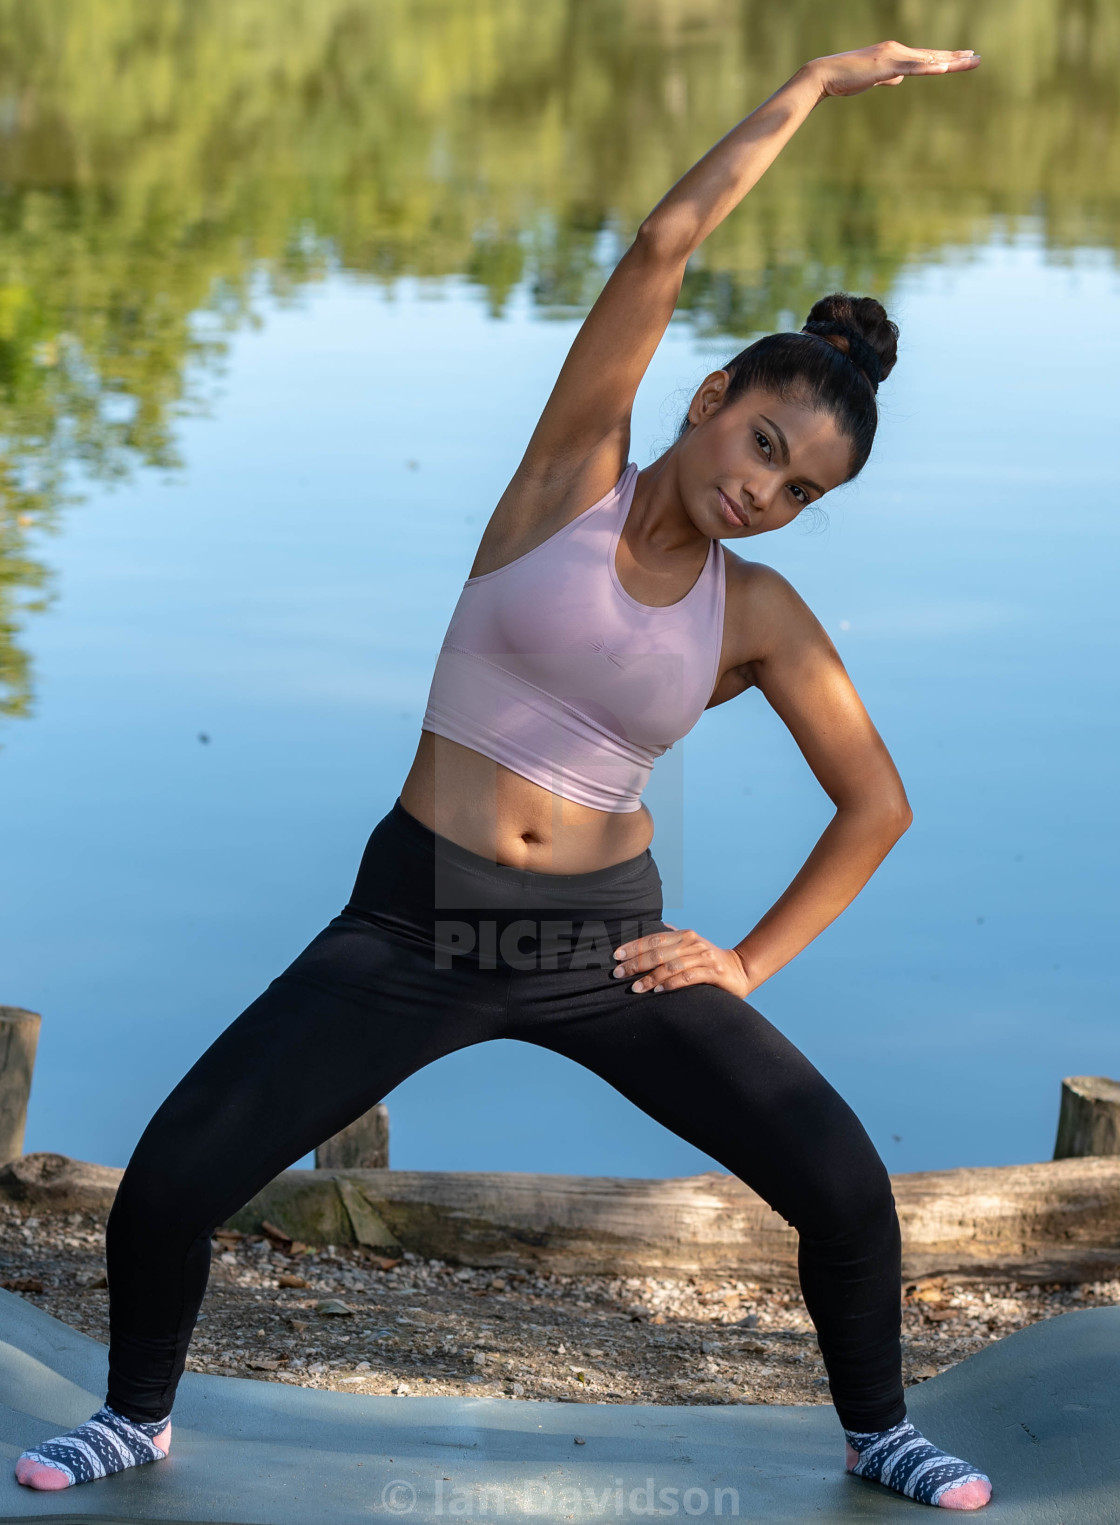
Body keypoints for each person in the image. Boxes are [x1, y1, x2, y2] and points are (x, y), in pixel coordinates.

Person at [17, 38, 991, 1512]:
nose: (762, 490)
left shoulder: (760, 618)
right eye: (764, 442)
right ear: (710, 392)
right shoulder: (565, 483)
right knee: (168, 1185)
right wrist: (806, 85)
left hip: (603, 945)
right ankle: (137, 1415)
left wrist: (744, 960)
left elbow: (879, 804)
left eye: (800, 491)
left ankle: (879, 1431)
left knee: (845, 1185)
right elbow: (665, 243)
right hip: (416, 919)